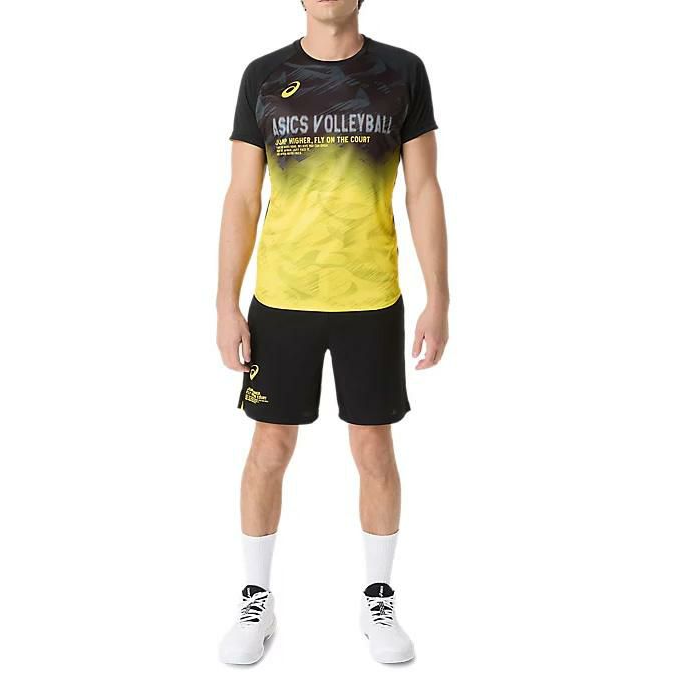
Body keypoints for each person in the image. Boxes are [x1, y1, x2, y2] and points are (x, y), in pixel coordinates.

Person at [216, 0, 448, 664]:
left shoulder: (402, 72)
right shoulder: (263, 76)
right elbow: (242, 196)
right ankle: (256, 599)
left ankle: (379, 598)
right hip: (282, 298)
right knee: (269, 448)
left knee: (374, 449)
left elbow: (424, 189)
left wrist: (439, 298)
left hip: (370, 299)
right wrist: (225, 302)